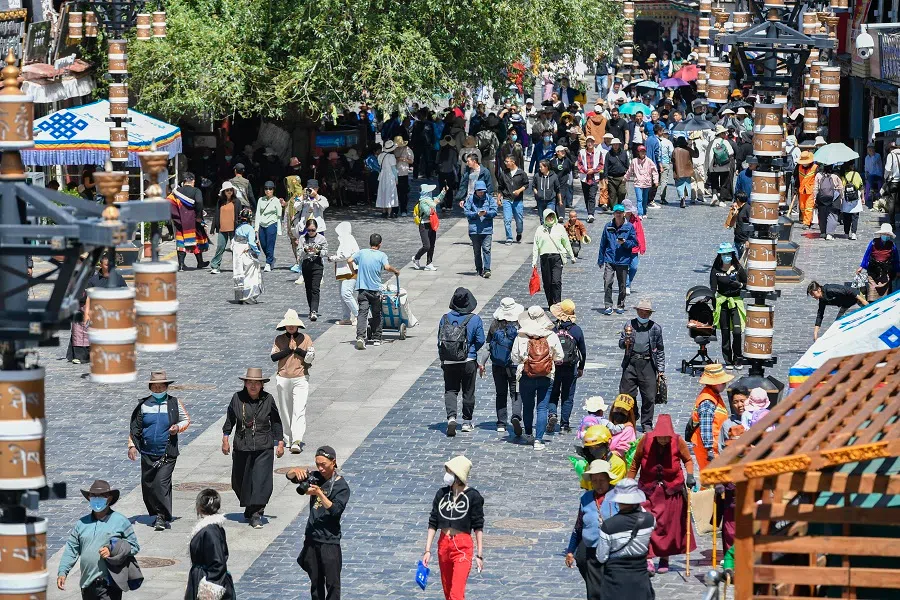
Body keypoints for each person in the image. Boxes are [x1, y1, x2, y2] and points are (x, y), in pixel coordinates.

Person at [626, 414, 696, 574]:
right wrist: (628, 483)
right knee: (646, 523)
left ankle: (665, 557)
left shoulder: (678, 441)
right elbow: (635, 462)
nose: (663, 440)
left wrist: (690, 476)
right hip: (648, 490)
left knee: (666, 526)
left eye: (666, 438)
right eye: (660, 438)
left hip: (671, 491)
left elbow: (688, 460)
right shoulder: (646, 440)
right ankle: (648, 557)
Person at [221, 367, 285, 528]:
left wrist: (280, 442)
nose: (253, 386)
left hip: (264, 446)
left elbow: (276, 421)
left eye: (257, 383)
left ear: (262, 385)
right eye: (250, 382)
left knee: (260, 480)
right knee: (239, 481)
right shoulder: (237, 398)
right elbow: (230, 420)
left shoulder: (268, 399)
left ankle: (256, 512)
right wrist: (225, 439)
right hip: (242, 445)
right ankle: (250, 507)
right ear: (245, 383)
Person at [127, 370, 189, 531]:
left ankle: (162, 517)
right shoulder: (144, 405)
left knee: (161, 483)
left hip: (167, 452)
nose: (158, 389)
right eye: (155, 386)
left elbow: (186, 420)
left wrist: (177, 428)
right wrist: (132, 446)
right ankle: (155, 513)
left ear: (166, 387)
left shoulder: (174, 403)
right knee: (148, 486)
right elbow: (136, 429)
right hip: (148, 453)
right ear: (150, 387)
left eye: (161, 386)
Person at [57, 480, 140, 599]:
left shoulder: (120, 521)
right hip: (87, 584)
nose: (97, 498)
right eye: (94, 496)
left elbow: (134, 546)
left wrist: (112, 549)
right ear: (89, 498)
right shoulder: (81, 523)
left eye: (102, 496)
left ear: (109, 499)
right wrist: (62, 572)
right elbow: (71, 549)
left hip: (109, 585)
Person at [287, 446, 351, 600]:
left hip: (329, 541)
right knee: (315, 583)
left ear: (333, 462)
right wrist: (295, 470)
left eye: (324, 464)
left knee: (333, 584)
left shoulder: (341, 486)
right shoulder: (315, 477)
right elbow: (290, 477)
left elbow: (335, 511)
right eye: (318, 464)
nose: (320, 468)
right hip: (312, 538)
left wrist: (319, 493)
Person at [422, 456, 485, 600]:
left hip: (462, 547)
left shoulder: (473, 497)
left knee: (455, 594)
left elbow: (478, 526)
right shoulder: (442, 494)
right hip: (443, 545)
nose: (447, 475)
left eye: (451, 472)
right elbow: (433, 522)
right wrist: (427, 550)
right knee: (448, 592)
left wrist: (479, 554)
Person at [565, 460, 619, 600]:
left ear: (608, 479)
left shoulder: (619, 496)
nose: (598, 484)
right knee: (594, 591)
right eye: (595, 480)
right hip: (591, 550)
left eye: (602, 480)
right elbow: (578, 526)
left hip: (613, 551)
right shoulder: (586, 498)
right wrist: (571, 551)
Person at [512, 306, 564, 450]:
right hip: (546, 375)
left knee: (528, 406)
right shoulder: (550, 335)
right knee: (542, 408)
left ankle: (528, 434)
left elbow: (514, 358)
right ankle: (538, 440)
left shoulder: (521, 335)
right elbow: (560, 356)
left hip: (525, 375)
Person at [594, 478, 655, 599]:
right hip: (640, 581)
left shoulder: (608, 526)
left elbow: (601, 557)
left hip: (615, 582)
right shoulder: (650, 520)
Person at [438, 288, 485, 436]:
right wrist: (471, 351)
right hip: (468, 361)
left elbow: (439, 341)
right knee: (468, 391)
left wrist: (443, 359)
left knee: (451, 390)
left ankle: (451, 417)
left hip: (449, 361)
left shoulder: (444, 318)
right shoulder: (475, 319)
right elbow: (480, 340)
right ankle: (466, 421)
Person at [618, 298, 665, 432]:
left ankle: (646, 423)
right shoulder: (630, 324)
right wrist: (625, 342)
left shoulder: (655, 328)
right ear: (637, 311)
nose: (644, 315)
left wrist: (660, 369)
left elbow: (660, 349)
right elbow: (621, 343)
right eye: (641, 312)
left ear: (650, 314)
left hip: (648, 363)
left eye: (646, 313)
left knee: (649, 396)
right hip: (631, 362)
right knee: (626, 393)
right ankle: (634, 414)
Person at [271, 309, 315, 454]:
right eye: (288, 325)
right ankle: (287, 438)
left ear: (297, 326)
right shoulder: (279, 339)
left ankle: (297, 439)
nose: (291, 327)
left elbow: (310, 357)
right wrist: (288, 350)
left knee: (299, 409)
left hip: (300, 377)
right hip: (283, 378)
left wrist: (297, 350)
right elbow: (274, 357)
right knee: (285, 410)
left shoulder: (306, 338)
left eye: (293, 325)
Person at [68, 254, 126, 363]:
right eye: (106, 265)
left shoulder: (118, 278)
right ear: (101, 265)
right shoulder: (94, 280)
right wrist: (87, 313)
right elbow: (89, 297)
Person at [348, 233, 400, 349]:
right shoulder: (382, 255)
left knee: (362, 314)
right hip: (375, 290)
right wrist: (395, 270)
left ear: (369, 243)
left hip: (362, 290)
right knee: (377, 313)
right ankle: (377, 338)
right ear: (380, 244)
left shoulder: (362, 252)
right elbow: (387, 267)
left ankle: (360, 337)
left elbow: (349, 260)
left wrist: (354, 272)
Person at [479, 297, 523, 433]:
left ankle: (501, 423)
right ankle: (516, 416)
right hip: (515, 365)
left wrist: (482, 363)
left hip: (498, 365)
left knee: (500, 393)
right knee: (516, 393)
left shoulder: (494, 325)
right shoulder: (520, 324)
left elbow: (487, 347)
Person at [185, 489, 235, 600]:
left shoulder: (209, 531)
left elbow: (218, 562)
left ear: (200, 507)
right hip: (201, 577)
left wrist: (209, 589)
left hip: (207, 580)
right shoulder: (212, 528)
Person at [547, 300, 586, 434]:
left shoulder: (553, 329)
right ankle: (564, 424)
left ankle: (552, 414)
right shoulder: (576, 330)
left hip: (555, 366)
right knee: (568, 396)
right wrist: (581, 367)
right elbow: (583, 351)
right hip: (570, 367)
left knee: (553, 393)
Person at [687, 363, 734, 471]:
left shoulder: (713, 394)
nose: (725, 383)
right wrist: (710, 450)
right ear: (715, 384)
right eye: (722, 382)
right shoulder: (707, 402)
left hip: (715, 445)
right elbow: (706, 427)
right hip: (710, 449)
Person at [710, 242, 747, 369]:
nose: (727, 257)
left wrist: (739, 285)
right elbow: (713, 288)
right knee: (725, 333)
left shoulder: (738, 268)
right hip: (722, 303)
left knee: (737, 332)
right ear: (720, 256)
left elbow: (746, 283)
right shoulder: (716, 270)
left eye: (729, 254)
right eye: (724, 254)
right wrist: (709, 298)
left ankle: (738, 358)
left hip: (735, 302)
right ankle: (728, 360)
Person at [598, 204, 637, 315]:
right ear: (614, 214)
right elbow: (603, 244)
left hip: (623, 260)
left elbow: (634, 243)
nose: (618, 214)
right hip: (610, 259)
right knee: (607, 281)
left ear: (623, 213)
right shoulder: (608, 226)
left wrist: (624, 243)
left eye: (620, 212)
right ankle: (608, 305)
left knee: (622, 284)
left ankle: (620, 305)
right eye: (616, 212)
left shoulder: (629, 227)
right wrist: (600, 259)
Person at [533, 209, 576, 308]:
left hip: (557, 257)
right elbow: (536, 246)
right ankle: (550, 303)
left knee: (556, 281)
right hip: (545, 258)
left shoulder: (560, 228)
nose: (550, 218)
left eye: (552, 216)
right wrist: (534, 261)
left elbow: (566, 242)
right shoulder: (540, 229)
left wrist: (572, 256)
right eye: (548, 216)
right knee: (547, 282)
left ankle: (557, 303)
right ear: (544, 218)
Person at [170, 173, 210, 271]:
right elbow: (199, 202)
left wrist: (177, 217)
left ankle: (181, 265)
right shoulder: (196, 190)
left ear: (183, 182)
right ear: (193, 181)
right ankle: (200, 262)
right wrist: (199, 216)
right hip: (193, 220)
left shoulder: (176, 192)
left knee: (181, 241)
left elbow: (169, 203)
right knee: (196, 240)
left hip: (180, 221)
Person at [327, 222, 360, 325]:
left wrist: (333, 258)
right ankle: (346, 318)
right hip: (343, 271)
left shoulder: (347, 239)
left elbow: (345, 255)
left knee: (346, 294)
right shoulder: (347, 239)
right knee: (343, 296)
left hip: (349, 270)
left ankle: (359, 316)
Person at [858, 224, 900, 300]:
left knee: (885, 290)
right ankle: (871, 302)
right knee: (872, 288)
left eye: (888, 234)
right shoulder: (873, 242)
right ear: (881, 234)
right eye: (884, 234)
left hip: (885, 271)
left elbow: (896, 259)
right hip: (873, 270)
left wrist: (897, 270)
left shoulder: (892, 245)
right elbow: (867, 255)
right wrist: (861, 267)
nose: (886, 236)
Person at [297, 216, 328, 321]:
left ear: (316, 229)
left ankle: (314, 310)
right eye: (309, 230)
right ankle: (311, 308)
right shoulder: (302, 238)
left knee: (315, 288)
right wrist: (305, 250)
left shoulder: (321, 239)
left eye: (313, 230)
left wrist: (318, 251)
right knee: (308, 288)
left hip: (317, 264)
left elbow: (326, 252)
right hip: (306, 264)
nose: (310, 232)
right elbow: (299, 252)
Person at [464, 180, 497, 278]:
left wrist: (486, 213)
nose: (481, 193)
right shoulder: (470, 199)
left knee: (486, 249)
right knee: (477, 251)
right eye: (479, 191)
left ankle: (487, 269)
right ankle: (479, 269)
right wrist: (476, 214)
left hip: (487, 229)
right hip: (474, 230)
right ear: (475, 191)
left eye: (483, 191)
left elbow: (494, 211)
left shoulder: (489, 199)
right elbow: (467, 212)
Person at [232, 208, 263, 304]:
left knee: (240, 272)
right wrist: (257, 252)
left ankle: (240, 295)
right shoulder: (250, 228)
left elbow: (234, 240)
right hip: (246, 252)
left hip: (237, 253)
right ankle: (248, 295)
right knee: (250, 273)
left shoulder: (238, 228)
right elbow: (251, 242)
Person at [412, 184, 446, 270]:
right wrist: (434, 203)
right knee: (426, 246)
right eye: (429, 191)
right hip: (424, 225)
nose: (431, 192)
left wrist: (443, 192)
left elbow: (438, 199)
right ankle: (416, 258)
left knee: (432, 245)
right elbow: (428, 212)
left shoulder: (430, 200)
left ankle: (429, 263)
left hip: (432, 224)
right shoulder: (423, 202)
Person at [210, 181, 240, 275]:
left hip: (234, 228)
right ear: (224, 192)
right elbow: (216, 214)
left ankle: (238, 267)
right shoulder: (220, 202)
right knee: (220, 247)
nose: (229, 192)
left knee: (235, 249)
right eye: (227, 190)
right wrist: (213, 228)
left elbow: (239, 215)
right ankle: (215, 266)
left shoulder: (237, 202)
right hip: (222, 228)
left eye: (231, 190)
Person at [497, 155, 528, 244]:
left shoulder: (521, 173)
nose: (505, 163)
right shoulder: (504, 173)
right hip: (507, 199)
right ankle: (509, 238)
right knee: (507, 219)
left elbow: (526, 185)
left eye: (507, 161)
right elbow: (500, 187)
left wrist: (519, 190)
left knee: (519, 220)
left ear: (513, 162)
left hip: (518, 200)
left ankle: (519, 232)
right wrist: (498, 199)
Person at [253, 181, 283, 272]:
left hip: (271, 224)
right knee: (263, 244)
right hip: (262, 224)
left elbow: (279, 216)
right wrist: (256, 227)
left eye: (270, 189)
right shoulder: (260, 200)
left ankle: (268, 263)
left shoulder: (276, 200)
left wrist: (279, 229)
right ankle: (271, 258)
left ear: (273, 190)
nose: (268, 191)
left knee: (270, 244)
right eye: (266, 189)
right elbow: (258, 213)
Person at [705, 125, 735, 207]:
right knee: (724, 183)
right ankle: (722, 200)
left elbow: (709, 155)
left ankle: (714, 195)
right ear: (721, 134)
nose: (725, 134)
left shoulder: (712, 143)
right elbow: (731, 153)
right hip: (725, 166)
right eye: (724, 133)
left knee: (714, 182)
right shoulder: (725, 142)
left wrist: (710, 167)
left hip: (714, 166)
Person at [577, 136, 605, 222]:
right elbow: (579, 164)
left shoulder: (598, 152)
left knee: (592, 196)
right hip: (585, 178)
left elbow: (601, 164)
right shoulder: (582, 152)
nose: (590, 143)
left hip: (594, 177)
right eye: (588, 142)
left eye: (591, 142)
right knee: (586, 196)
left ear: (594, 143)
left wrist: (593, 170)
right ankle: (589, 212)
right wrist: (585, 171)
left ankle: (591, 214)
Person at [813, 163, 843, 240]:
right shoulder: (835, 175)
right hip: (834, 198)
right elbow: (840, 187)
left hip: (821, 197)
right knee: (833, 215)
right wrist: (841, 198)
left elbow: (815, 188)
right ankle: (829, 234)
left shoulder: (818, 175)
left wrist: (814, 198)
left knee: (822, 215)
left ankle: (823, 232)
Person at [623, 200, 645, 295]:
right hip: (623, 248)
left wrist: (642, 246)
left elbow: (640, 233)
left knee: (634, 267)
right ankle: (626, 285)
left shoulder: (636, 220)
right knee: (624, 267)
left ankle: (628, 282)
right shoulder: (619, 219)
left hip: (634, 247)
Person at [603, 138, 629, 207]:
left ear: (619, 145)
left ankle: (620, 205)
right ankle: (615, 209)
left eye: (617, 144)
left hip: (621, 177)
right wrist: (605, 177)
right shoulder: (608, 154)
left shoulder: (623, 153)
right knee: (612, 194)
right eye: (614, 145)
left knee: (622, 192)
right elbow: (606, 166)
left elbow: (627, 165)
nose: (615, 146)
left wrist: (627, 175)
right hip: (611, 178)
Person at [376, 140, 399, 217]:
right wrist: (396, 179)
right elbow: (393, 169)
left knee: (383, 192)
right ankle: (389, 212)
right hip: (389, 176)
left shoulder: (380, 155)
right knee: (390, 193)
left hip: (382, 175)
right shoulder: (391, 157)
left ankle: (384, 211)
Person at [842, 162, 864, 240]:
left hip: (846, 197)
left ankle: (846, 233)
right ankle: (854, 233)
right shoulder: (857, 174)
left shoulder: (843, 175)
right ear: (851, 166)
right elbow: (861, 186)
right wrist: (863, 197)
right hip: (856, 197)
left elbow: (842, 186)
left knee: (846, 216)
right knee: (855, 217)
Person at [393, 136, 415, 216]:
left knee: (403, 193)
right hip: (394, 173)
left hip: (403, 173)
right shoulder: (393, 149)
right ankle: (395, 210)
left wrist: (403, 159)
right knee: (395, 193)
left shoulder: (407, 150)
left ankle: (403, 210)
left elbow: (411, 160)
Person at [796, 151, 818, 227]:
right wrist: (796, 187)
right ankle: (807, 219)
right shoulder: (799, 167)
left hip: (810, 190)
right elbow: (796, 177)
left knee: (809, 207)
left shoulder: (815, 167)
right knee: (802, 207)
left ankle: (807, 222)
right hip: (802, 190)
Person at [672, 136, 693, 208]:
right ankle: (684, 198)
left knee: (680, 186)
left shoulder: (675, 150)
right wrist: (695, 147)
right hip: (688, 171)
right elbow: (696, 155)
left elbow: (672, 159)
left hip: (678, 171)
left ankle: (682, 198)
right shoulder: (688, 149)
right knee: (686, 185)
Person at [731, 192, 752, 258]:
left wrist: (748, 240)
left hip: (744, 240)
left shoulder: (747, 209)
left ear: (738, 200)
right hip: (738, 239)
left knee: (744, 260)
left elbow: (751, 225)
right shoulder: (738, 208)